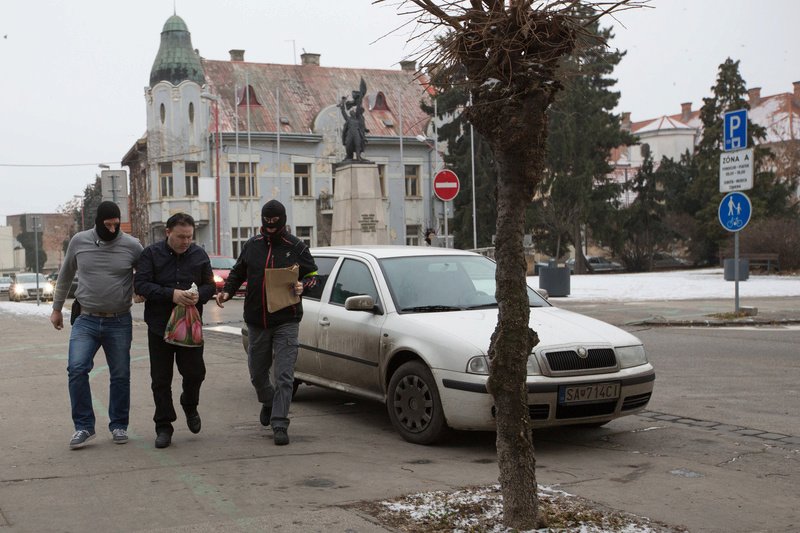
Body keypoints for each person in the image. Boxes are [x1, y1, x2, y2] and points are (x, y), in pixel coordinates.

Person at [215, 199, 318, 446]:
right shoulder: (252, 245)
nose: (270, 227)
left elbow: (313, 275)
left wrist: (304, 285)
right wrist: (227, 291)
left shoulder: (296, 247)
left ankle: (280, 423)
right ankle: (268, 401)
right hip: (257, 320)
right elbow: (238, 272)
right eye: (266, 222)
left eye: (275, 223)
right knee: (257, 372)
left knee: (284, 374)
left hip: (287, 319)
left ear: (283, 221)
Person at [50, 201, 143, 449]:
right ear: (98, 221)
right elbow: (65, 275)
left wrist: (139, 289)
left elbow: (145, 273)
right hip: (86, 319)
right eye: (107, 225)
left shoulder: (132, 246)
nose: (112, 230)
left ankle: (119, 424)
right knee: (76, 368)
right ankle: (83, 426)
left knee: (121, 374)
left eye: (116, 225)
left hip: (119, 320)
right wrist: (56, 308)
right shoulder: (79, 242)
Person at [134, 213, 216, 449]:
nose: (186, 241)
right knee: (160, 379)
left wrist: (200, 293)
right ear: (167, 232)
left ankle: (189, 404)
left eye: (189, 236)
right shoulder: (151, 254)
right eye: (181, 236)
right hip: (160, 326)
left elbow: (210, 284)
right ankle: (163, 426)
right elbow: (141, 284)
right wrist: (172, 294)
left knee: (195, 373)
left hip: (190, 326)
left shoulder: (199, 254)